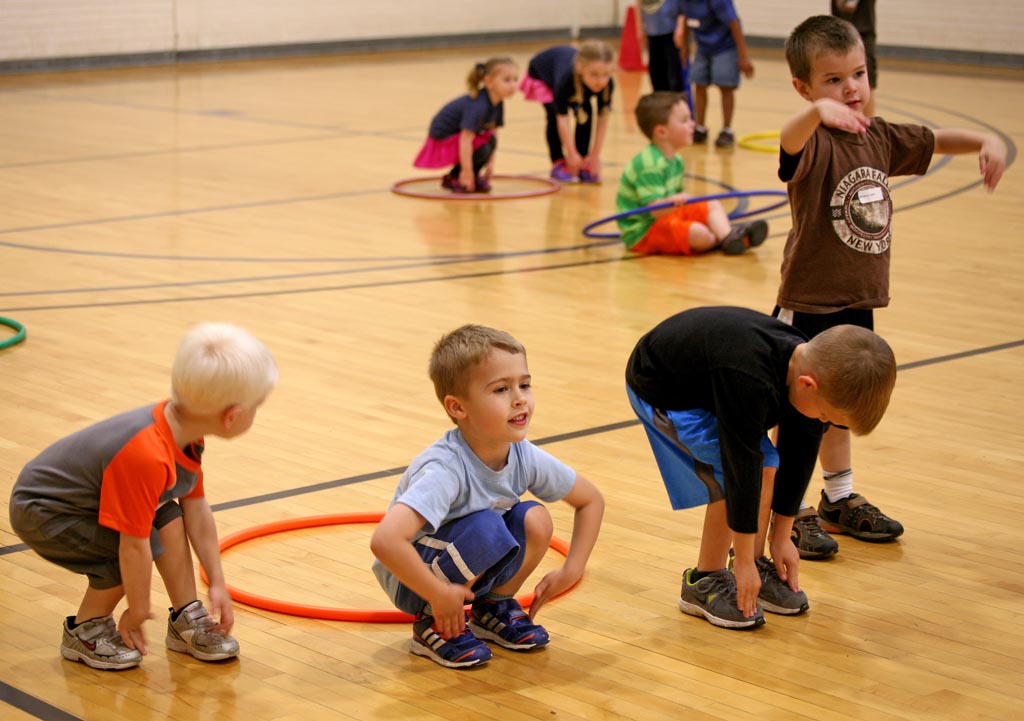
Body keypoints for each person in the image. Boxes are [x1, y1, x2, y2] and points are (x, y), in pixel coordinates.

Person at [777, 15, 1006, 559]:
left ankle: (838, 498)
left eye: (857, 74)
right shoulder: (813, 145)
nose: (850, 88)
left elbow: (933, 140)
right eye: (832, 80)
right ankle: (789, 513)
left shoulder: (877, 137)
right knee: (795, 415)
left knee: (841, 404)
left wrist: (986, 138)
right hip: (809, 302)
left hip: (858, 303)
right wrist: (816, 114)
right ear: (804, 88)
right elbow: (788, 143)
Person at [9, 323, 278, 670]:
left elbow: (196, 510)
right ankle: (85, 628)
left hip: (83, 503)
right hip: (46, 512)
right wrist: (137, 611)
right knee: (132, 553)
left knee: (167, 514)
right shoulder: (147, 454)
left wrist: (218, 584)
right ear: (231, 416)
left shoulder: (187, 433)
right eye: (258, 406)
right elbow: (133, 547)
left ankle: (186, 616)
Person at [625, 306, 897, 629]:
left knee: (769, 466)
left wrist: (782, 536)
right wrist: (739, 561)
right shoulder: (749, 378)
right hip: (663, 387)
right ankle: (705, 579)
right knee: (732, 476)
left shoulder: (808, 374)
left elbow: (799, 452)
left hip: (713, 384)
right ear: (808, 385)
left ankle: (755, 563)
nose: (822, 422)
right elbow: (740, 467)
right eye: (825, 416)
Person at [370, 325, 604, 668]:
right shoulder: (445, 469)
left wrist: (573, 567)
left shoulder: (522, 453)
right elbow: (386, 541)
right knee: (486, 526)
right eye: (501, 389)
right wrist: (437, 594)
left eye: (524, 384)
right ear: (458, 408)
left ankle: (493, 607)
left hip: (464, 563)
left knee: (535, 518)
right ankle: (433, 625)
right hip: (413, 581)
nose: (520, 398)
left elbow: (591, 500)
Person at [616, 91, 768, 256]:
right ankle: (728, 236)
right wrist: (674, 200)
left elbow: (676, 205)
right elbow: (656, 210)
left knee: (712, 204)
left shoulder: (677, 161)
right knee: (699, 234)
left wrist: (681, 202)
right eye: (684, 121)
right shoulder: (649, 164)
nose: (692, 124)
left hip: (665, 217)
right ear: (661, 132)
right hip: (644, 231)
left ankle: (728, 236)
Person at [413, 57, 519, 194]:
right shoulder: (478, 105)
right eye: (507, 80)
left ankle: (473, 176)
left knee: (490, 140)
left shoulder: (497, 103)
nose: (513, 85)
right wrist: (466, 172)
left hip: (462, 140)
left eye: (515, 80)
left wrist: (491, 165)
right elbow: (465, 139)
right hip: (443, 141)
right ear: (488, 82)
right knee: (483, 146)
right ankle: (454, 177)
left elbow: (493, 133)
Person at [520, 41, 615, 183]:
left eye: (605, 75)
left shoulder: (607, 85)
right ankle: (558, 161)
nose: (600, 81)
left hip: (573, 83)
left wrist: (595, 156)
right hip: (543, 75)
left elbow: (603, 119)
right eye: (594, 74)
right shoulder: (565, 80)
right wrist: (571, 154)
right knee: (553, 115)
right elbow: (562, 119)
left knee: (585, 111)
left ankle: (583, 159)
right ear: (579, 68)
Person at [675, 0, 754, 147]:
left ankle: (726, 130)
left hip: (725, 47)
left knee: (725, 86)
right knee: (698, 83)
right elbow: (687, 19)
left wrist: (743, 56)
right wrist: (684, 45)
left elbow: (734, 23)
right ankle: (699, 127)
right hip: (703, 47)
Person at [831, 0, 877, 116]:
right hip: (839, 31)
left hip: (862, 31)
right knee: (836, 78)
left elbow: (846, 6)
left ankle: (869, 127)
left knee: (867, 81)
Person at [636, 0, 685, 93]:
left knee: (673, 73)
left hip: (671, 30)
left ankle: (675, 102)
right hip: (652, 30)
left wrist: (680, 25)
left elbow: (683, 4)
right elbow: (638, 2)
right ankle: (660, 102)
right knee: (655, 72)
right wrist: (640, 27)